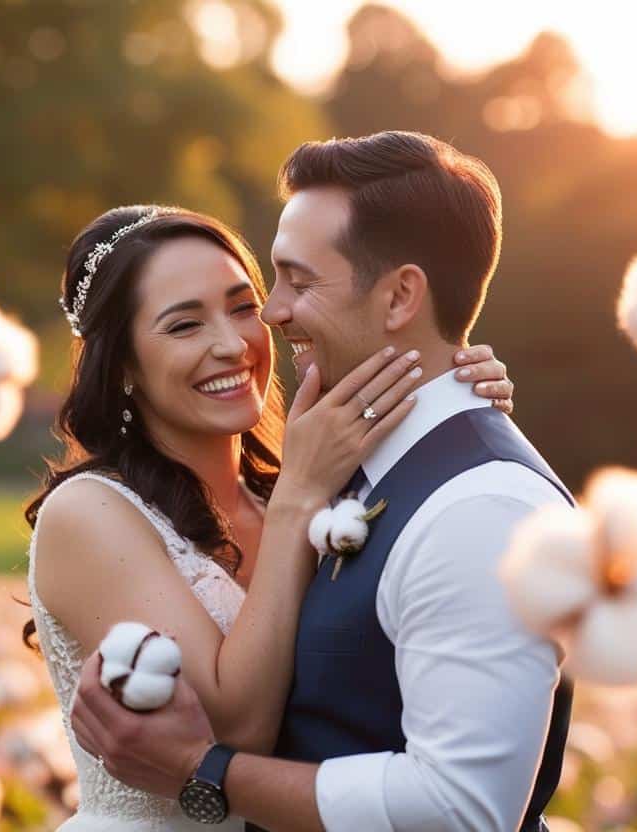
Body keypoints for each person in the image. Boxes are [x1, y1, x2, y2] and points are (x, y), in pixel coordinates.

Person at [67, 131, 573, 832]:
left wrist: (199, 769)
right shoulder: (327, 474)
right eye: (184, 323)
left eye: (291, 284)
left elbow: (460, 812)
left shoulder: (476, 508)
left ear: (400, 297)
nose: (266, 320)